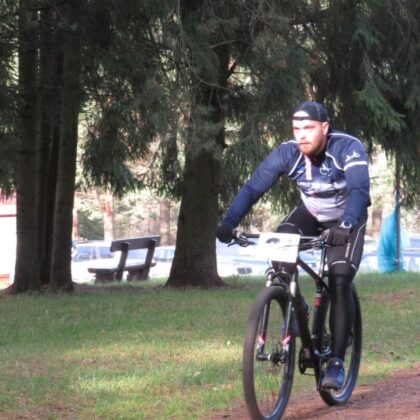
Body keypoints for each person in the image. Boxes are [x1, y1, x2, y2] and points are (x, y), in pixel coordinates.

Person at [216, 101, 370, 390]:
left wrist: (347, 224)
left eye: (308, 128)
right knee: (280, 254)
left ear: (324, 127)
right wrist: (229, 222)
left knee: (339, 279)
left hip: (348, 218)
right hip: (311, 213)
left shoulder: (348, 148)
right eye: (296, 129)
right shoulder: (287, 152)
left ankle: (337, 361)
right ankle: (297, 306)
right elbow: (253, 187)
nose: (302, 135)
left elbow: (359, 190)